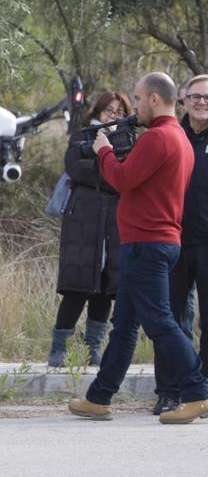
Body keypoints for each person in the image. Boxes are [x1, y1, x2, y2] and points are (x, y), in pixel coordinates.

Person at [69, 72, 208, 424]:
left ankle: (197, 390)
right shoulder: (178, 137)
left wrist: (103, 152)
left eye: (140, 98)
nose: (137, 105)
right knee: (126, 325)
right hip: (151, 241)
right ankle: (100, 397)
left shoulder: (159, 137)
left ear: (155, 99)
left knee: (160, 321)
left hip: (147, 243)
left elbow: (122, 179)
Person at [48, 92, 129, 367]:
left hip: (114, 225)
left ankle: (93, 348)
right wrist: (108, 167)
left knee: (105, 289)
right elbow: (75, 168)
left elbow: (126, 175)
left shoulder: (127, 139)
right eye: (108, 110)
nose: (113, 115)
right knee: (76, 287)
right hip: (83, 221)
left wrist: (104, 163)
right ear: (97, 110)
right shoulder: (81, 136)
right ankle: (58, 349)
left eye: (119, 111)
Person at [154, 74, 208, 414]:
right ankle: (169, 392)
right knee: (170, 320)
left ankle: (200, 391)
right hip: (171, 241)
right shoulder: (171, 137)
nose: (202, 102)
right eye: (196, 97)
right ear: (183, 101)